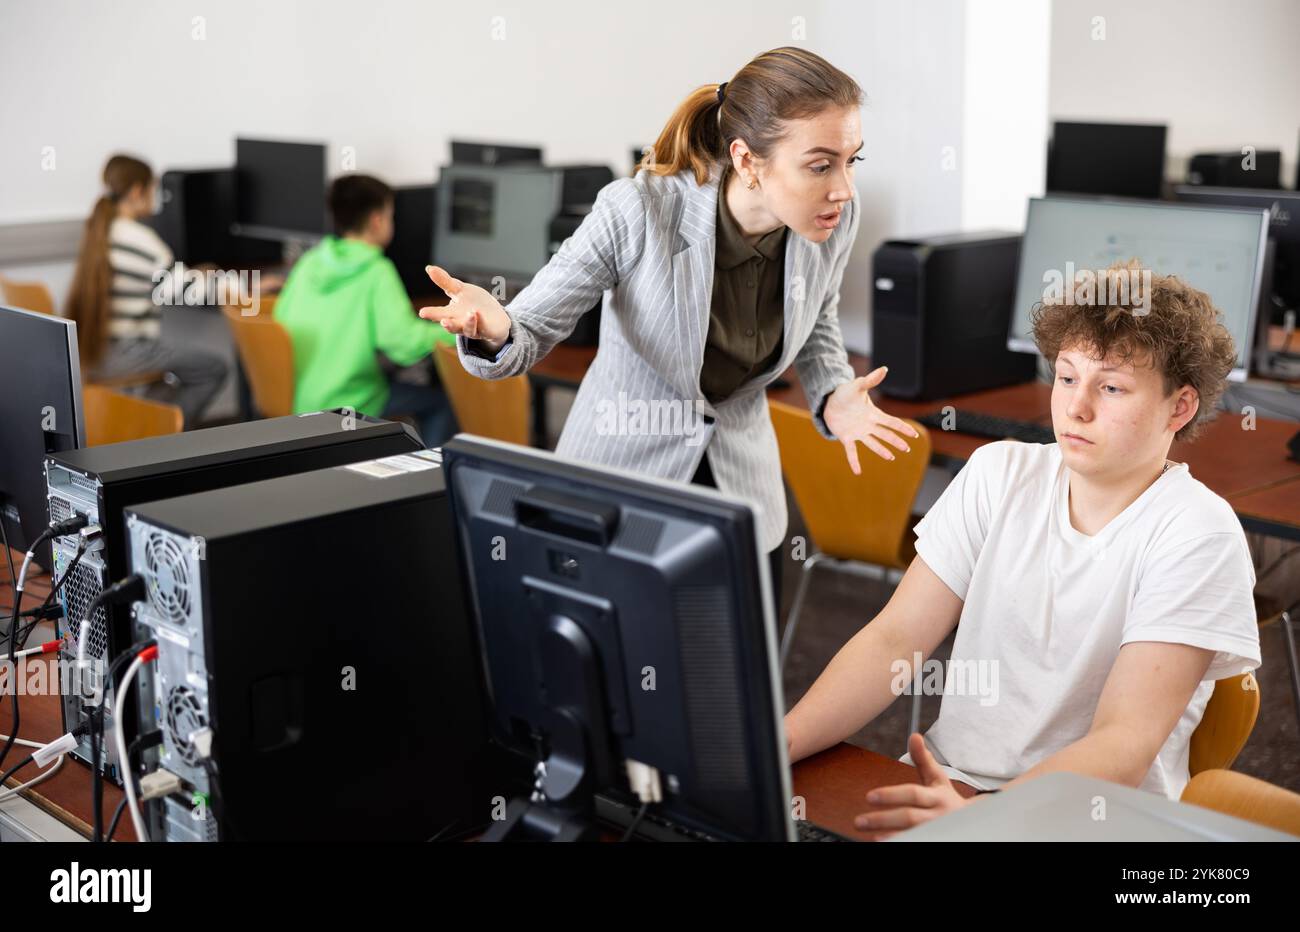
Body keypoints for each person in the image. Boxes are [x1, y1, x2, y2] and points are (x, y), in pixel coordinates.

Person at [422, 47, 917, 613]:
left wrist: (831, 393)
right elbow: (529, 330)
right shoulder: (638, 209)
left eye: (853, 160)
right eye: (821, 164)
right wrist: (494, 325)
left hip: (741, 499)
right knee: (614, 681)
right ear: (748, 160)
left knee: (730, 689)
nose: (844, 189)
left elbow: (819, 314)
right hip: (620, 490)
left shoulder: (833, 219)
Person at [784, 261, 1261, 839]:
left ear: (1179, 407)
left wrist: (989, 820)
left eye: (1110, 387)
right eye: (1066, 378)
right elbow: (895, 639)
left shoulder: (1197, 533)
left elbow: (1123, 741)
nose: (1076, 408)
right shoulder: (998, 471)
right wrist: (777, 744)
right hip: (951, 790)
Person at [274, 174, 457, 446]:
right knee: (443, 403)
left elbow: (280, 318)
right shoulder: (377, 271)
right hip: (351, 401)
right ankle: (433, 481)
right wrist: (457, 330)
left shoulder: (310, 261)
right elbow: (403, 344)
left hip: (302, 399)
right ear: (377, 221)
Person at [65, 154, 228, 426]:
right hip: (125, 352)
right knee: (213, 368)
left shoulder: (101, 231)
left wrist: (190, 275)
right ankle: (162, 436)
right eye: (153, 189)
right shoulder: (141, 240)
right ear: (138, 191)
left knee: (167, 386)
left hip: (94, 351)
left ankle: (149, 426)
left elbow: (171, 280)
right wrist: (249, 284)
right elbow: (193, 292)